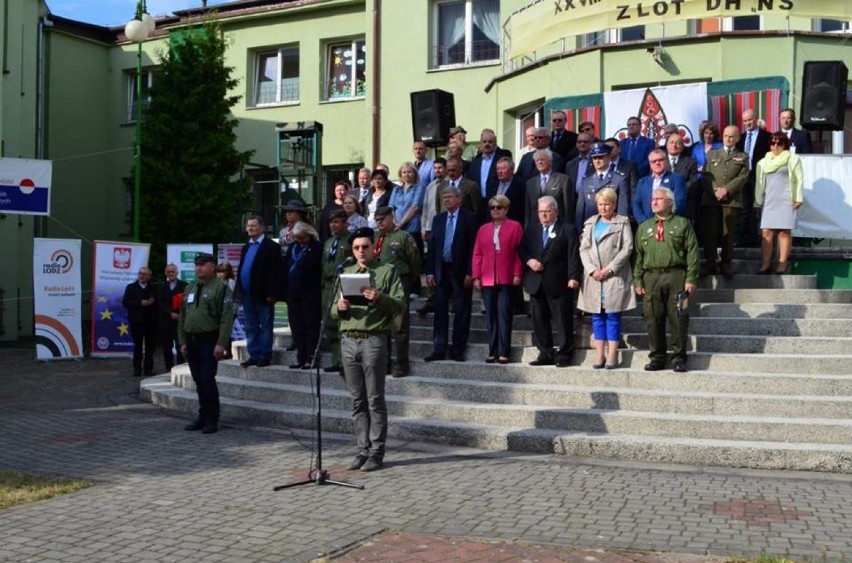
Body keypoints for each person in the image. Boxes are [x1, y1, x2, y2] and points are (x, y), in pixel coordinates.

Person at [333, 227, 406, 472]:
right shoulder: (347, 273)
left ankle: (377, 452)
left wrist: (379, 297)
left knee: (375, 399)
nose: (361, 251)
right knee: (357, 400)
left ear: (374, 247)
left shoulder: (386, 271)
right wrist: (339, 307)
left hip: (373, 339)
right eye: (356, 248)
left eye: (365, 246)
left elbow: (400, 305)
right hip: (348, 339)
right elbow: (332, 311)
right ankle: (361, 450)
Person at [633, 187, 699, 373]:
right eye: (653, 199)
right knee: (653, 318)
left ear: (670, 202)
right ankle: (657, 357)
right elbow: (638, 256)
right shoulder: (644, 227)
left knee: (679, 318)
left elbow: (692, 252)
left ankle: (679, 357)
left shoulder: (683, 224)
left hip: (677, 276)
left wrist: (691, 278)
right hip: (651, 277)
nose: (654, 202)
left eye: (659, 199)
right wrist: (637, 281)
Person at [519, 195, 581, 368]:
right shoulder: (532, 229)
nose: (544, 215)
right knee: (539, 320)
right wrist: (529, 261)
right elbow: (522, 248)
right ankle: (545, 353)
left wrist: (573, 277)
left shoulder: (567, 229)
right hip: (536, 283)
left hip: (559, 282)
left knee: (562, 320)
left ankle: (564, 354)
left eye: (547, 211)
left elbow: (573, 255)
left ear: (556, 212)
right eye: (541, 211)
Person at [577, 188, 636, 369]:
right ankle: (599, 355)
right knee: (596, 316)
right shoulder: (590, 223)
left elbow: (627, 248)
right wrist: (592, 270)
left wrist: (609, 270)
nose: (603, 207)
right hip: (594, 278)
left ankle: (612, 355)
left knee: (612, 316)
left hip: (613, 277)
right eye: (601, 204)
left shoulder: (623, 222)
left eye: (607, 204)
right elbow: (583, 249)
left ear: (614, 204)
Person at [178, 252, 235, 434]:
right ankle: (202, 416)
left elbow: (227, 318)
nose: (198, 268)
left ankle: (212, 419)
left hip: (209, 340)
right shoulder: (190, 288)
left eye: (202, 264)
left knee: (207, 379)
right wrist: (182, 341)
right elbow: (182, 316)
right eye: (196, 265)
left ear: (212, 266)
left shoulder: (221, 288)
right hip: (191, 340)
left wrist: (221, 343)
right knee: (198, 380)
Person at [423, 186, 477, 362]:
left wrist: (470, 272)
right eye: (444, 197)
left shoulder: (469, 218)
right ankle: (439, 348)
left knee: (462, 309)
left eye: (449, 197)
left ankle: (458, 349)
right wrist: (430, 272)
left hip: (460, 270)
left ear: (459, 199)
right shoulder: (438, 219)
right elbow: (432, 248)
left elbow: (473, 248)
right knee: (440, 310)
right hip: (441, 270)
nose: (446, 200)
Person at [472, 195, 523, 364]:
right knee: (490, 316)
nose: (495, 210)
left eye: (499, 207)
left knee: (504, 315)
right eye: (492, 207)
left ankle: (504, 351)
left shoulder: (515, 227)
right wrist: (476, 276)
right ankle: (492, 349)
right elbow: (477, 253)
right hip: (487, 277)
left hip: (506, 277)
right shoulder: (483, 229)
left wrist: (517, 273)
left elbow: (518, 253)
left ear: (506, 209)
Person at [373, 206, 422, 377]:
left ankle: (401, 363)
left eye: (382, 220)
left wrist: (407, 280)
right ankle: (384, 362)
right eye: (377, 220)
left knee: (400, 325)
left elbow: (415, 262)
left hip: (399, 283)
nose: (379, 223)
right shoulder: (376, 238)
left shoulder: (403, 237)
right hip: (380, 285)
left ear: (391, 217)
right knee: (382, 325)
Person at [701, 126, 749, 278]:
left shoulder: (743, 156)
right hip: (711, 199)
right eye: (726, 136)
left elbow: (742, 177)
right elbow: (706, 175)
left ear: (737, 139)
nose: (728, 139)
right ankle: (710, 263)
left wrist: (726, 190)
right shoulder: (712, 154)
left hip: (731, 200)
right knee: (710, 232)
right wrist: (716, 190)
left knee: (728, 233)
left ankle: (726, 263)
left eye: (731, 136)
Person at [235, 215, 283, 368]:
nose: (250, 228)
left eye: (253, 225)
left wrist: (272, 293)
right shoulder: (246, 247)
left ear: (262, 228)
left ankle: (265, 355)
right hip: (247, 294)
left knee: (265, 326)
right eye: (248, 226)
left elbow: (276, 273)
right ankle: (253, 355)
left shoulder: (271, 247)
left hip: (263, 295)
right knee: (250, 326)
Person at [754, 131, 804, 275]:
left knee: (784, 232)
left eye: (779, 143)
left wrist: (798, 197)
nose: (775, 146)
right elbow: (759, 183)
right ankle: (765, 263)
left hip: (786, 200)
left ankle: (782, 263)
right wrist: (758, 202)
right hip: (769, 201)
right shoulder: (763, 162)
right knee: (767, 232)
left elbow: (799, 178)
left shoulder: (792, 159)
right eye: (773, 143)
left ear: (785, 145)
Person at [284, 221, 323, 369]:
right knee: (297, 324)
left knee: (310, 325)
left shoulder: (317, 247)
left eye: (303, 238)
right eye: (297, 238)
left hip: (310, 292)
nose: (300, 241)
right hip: (293, 292)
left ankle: (310, 357)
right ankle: (300, 357)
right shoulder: (292, 248)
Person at [321, 210, 352, 373]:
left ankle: (345, 362)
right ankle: (335, 360)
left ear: (345, 223)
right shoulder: (328, 242)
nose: (333, 225)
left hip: (343, 284)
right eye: (331, 222)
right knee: (330, 325)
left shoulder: (351, 240)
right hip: (328, 286)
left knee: (342, 324)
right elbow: (323, 264)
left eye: (337, 222)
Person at [736, 109, 772, 248]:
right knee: (745, 209)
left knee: (761, 208)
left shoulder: (767, 137)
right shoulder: (741, 138)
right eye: (745, 121)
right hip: (745, 177)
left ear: (756, 119)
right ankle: (746, 238)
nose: (747, 123)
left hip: (760, 176)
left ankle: (762, 239)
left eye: (750, 120)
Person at [576, 142, 630, 230]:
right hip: (590, 227)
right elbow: (580, 209)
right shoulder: (586, 180)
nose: (597, 161)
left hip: (612, 227)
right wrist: (579, 230)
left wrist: (620, 228)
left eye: (600, 157)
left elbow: (622, 209)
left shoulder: (619, 179)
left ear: (609, 157)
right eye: (594, 158)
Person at [633, 149, 687, 224]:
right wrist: (643, 222)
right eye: (654, 161)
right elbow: (636, 204)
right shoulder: (642, 182)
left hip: (669, 223)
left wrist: (667, 220)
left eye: (660, 160)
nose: (657, 163)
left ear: (665, 161)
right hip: (647, 225)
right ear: (650, 163)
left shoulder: (677, 179)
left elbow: (679, 202)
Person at [466, 128, 512, 216]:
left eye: (490, 141)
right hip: (479, 205)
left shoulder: (503, 156)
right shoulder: (476, 161)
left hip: (497, 204)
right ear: (480, 143)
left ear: (495, 143)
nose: (487, 144)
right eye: (484, 141)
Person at [122, 267, 158, 377]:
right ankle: (137, 369)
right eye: (140, 273)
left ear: (149, 276)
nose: (141, 276)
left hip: (150, 321)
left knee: (150, 347)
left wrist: (153, 302)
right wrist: (140, 303)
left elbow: (159, 303)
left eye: (144, 274)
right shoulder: (131, 287)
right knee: (138, 346)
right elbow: (125, 302)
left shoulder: (154, 287)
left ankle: (148, 369)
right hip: (136, 321)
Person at [524, 148, 572, 228]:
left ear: (550, 162)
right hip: (535, 228)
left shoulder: (563, 180)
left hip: (557, 227)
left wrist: (566, 229)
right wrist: (527, 228)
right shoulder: (530, 183)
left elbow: (568, 209)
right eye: (537, 160)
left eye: (542, 159)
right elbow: (528, 211)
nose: (539, 162)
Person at [388, 161, 426, 260]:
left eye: (409, 172)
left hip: (412, 228)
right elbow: (391, 207)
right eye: (404, 172)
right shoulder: (396, 189)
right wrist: (394, 223)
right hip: (396, 228)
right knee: (399, 257)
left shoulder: (419, 188)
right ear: (400, 175)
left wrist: (400, 224)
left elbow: (415, 207)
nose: (406, 174)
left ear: (414, 174)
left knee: (413, 257)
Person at [158, 263, 187, 371]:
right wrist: (170, 313)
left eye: (172, 271)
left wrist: (180, 315)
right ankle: (168, 369)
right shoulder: (161, 286)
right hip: (166, 321)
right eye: (168, 272)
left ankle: (180, 368)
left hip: (180, 321)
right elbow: (160, 303)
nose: (171, 273)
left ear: (177, 272)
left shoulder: (185, 285)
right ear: (166, 273)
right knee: (166, 347)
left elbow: (187, 303)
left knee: (181, 346)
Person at [666, 134, 700, 222]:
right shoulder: (659, 161)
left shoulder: (690, 162)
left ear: (682, 147)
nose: (674, 145)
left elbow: (693, 181)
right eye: (671, 142)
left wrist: (677, 191)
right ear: (667, 145)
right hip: (664, 205)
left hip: (684, 206)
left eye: (678, 143)